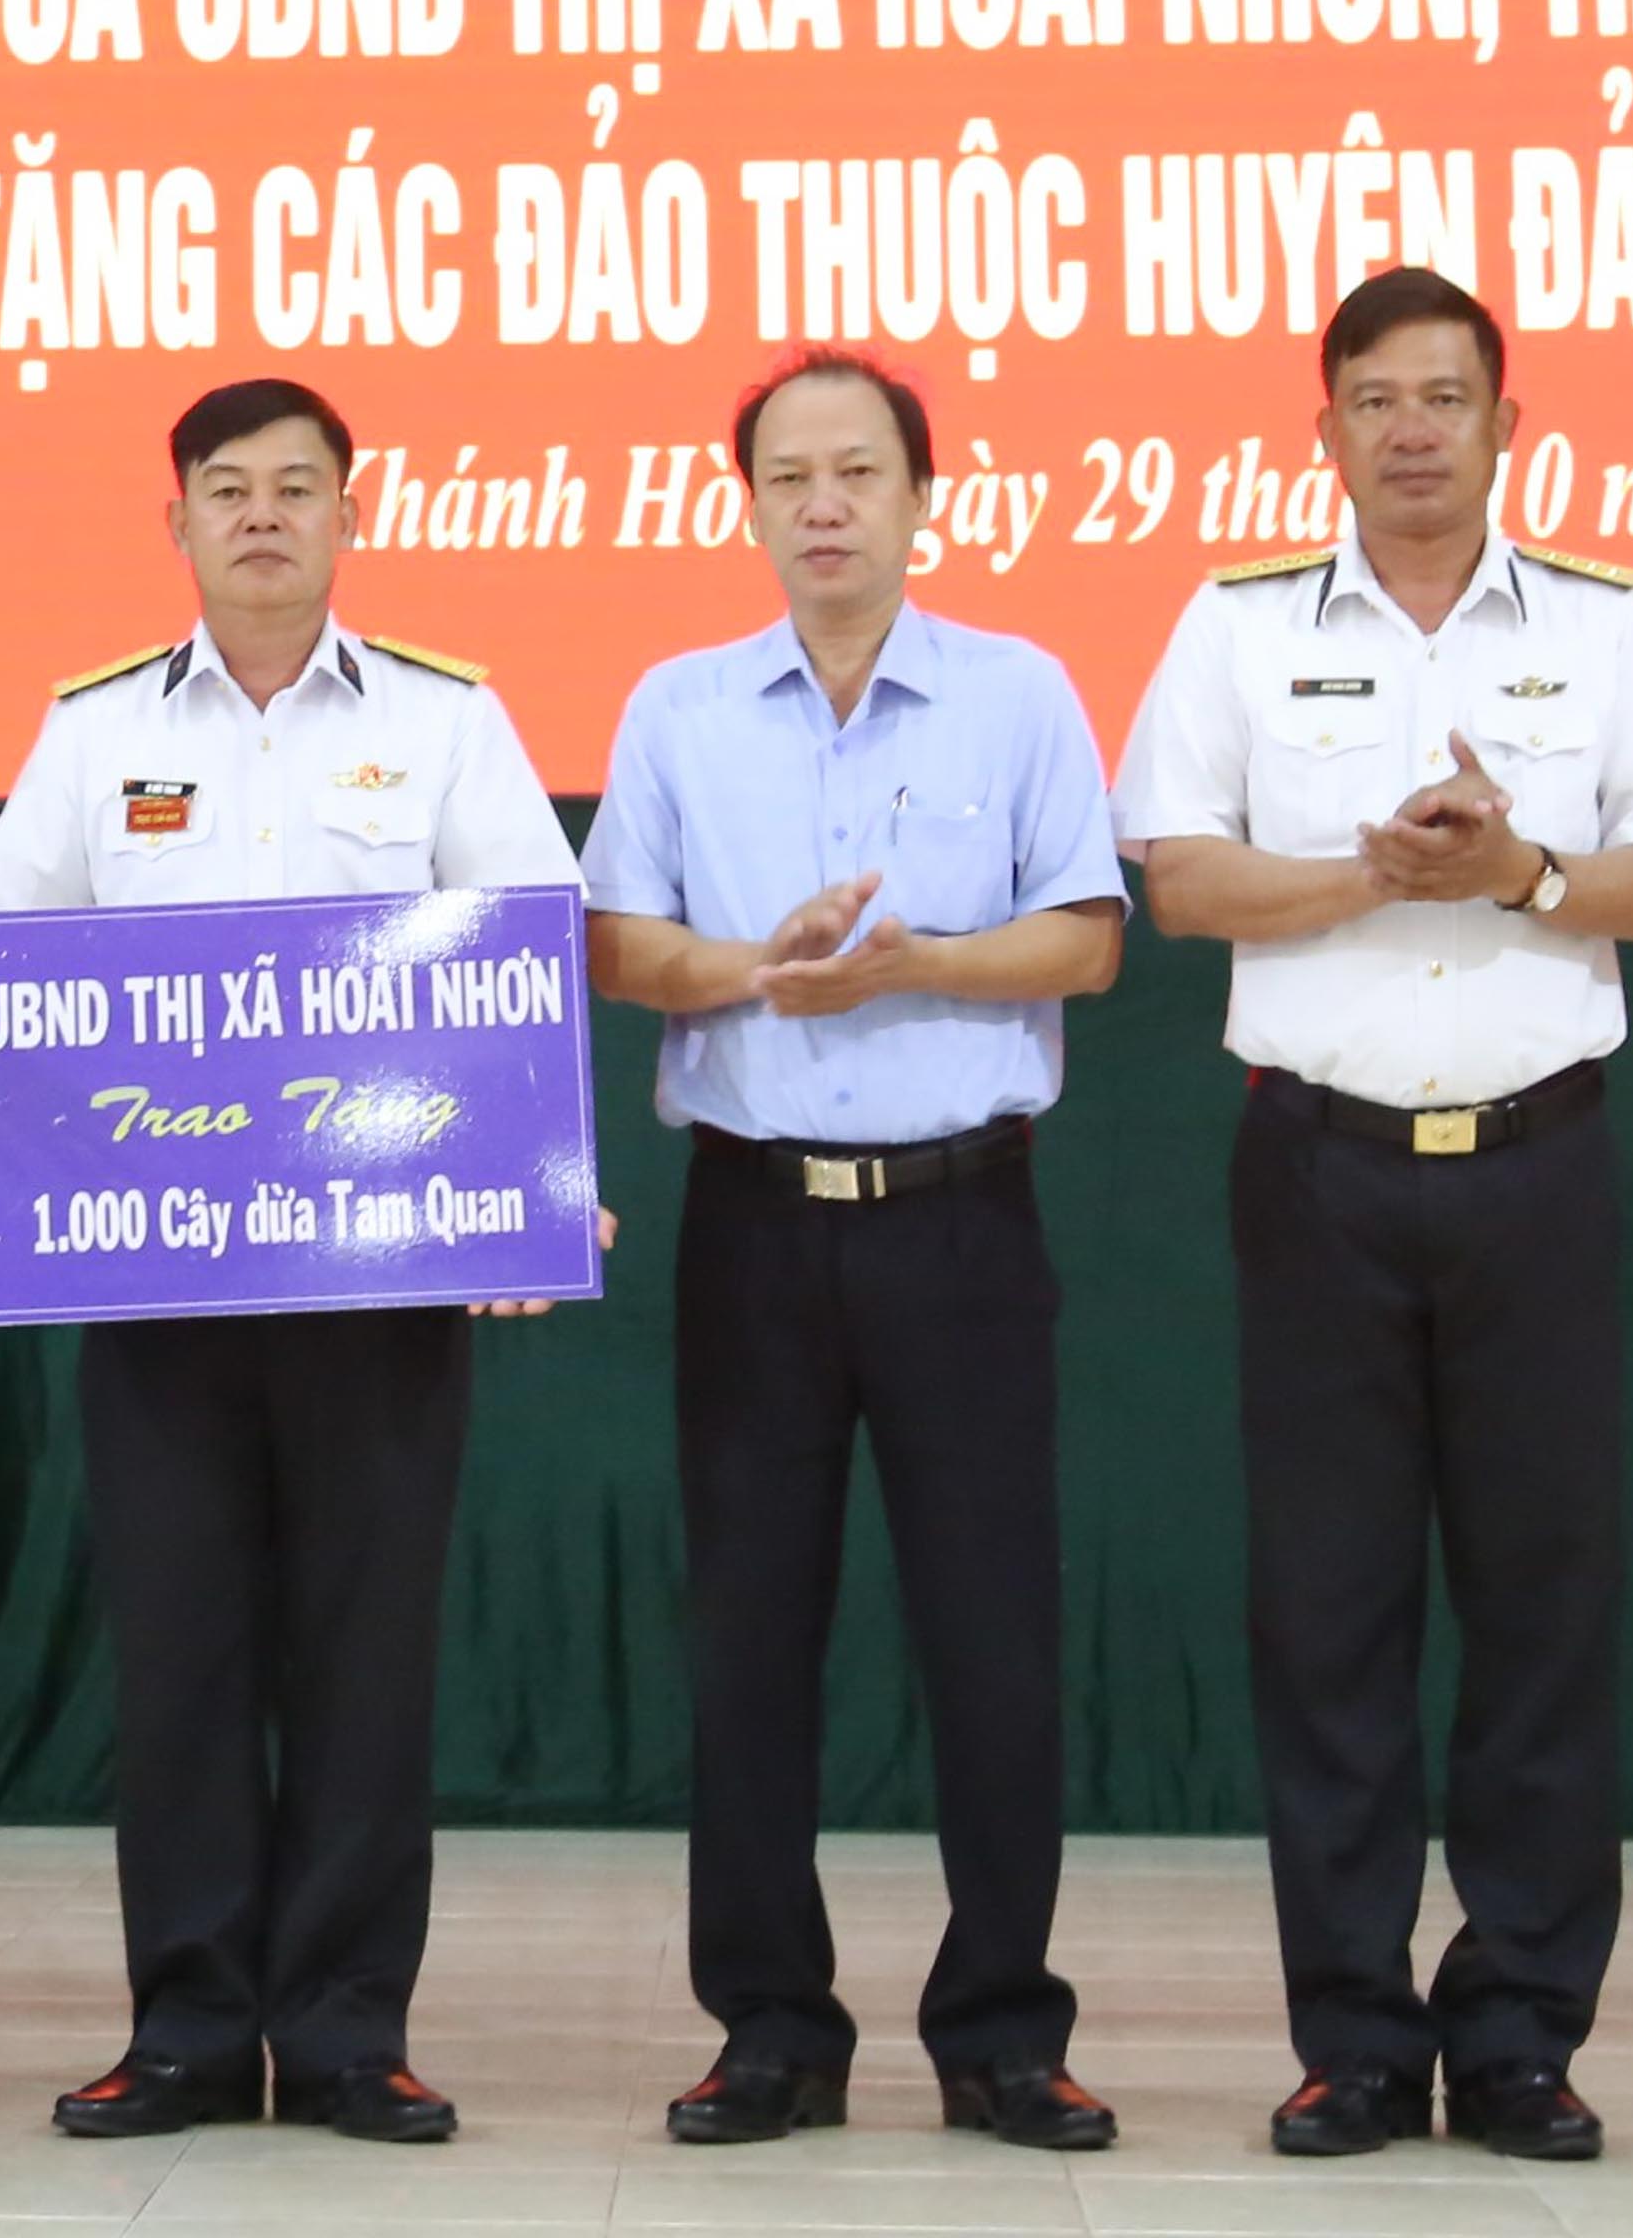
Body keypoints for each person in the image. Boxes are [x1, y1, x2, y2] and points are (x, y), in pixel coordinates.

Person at [1109, 268, 1633, 2166]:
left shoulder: (1606, 622)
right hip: (1320, 1173)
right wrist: (1368, 875)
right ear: (1323, 431)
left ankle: (1525, 2032)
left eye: (1444, 398)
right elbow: (1179, 879)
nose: (1409, 431)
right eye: (1374, 399)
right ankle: (1356, 2040)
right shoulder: (1235, 624)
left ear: (1504, 426)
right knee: (1329, 1612)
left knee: (1545, 1605)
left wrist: (1523, 869)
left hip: (1538, 1168)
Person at [0, 377, 581, 2147]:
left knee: (363, 1659)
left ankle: (341, 2031)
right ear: (174, 519)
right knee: (178, 1659)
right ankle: (182, 2027)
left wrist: (530, 1187)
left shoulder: (447, 720)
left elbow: (524, 960)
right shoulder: (92, 730)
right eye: (227, 488)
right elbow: (10, 962)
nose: (260, 515)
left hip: (376, 1282)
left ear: (348, 515)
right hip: (157, 1281)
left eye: (296, 487)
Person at [580, 350, 1130, 2154]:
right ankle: (770, 2029)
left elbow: (1086, 938)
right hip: (754, 1224)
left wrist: (912, 966)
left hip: (960, 1219)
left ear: (919, 496)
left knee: (992, 1635)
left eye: (858, 472)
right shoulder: (678, 706)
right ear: (747, 503)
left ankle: (1003, 2033)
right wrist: (760, 964)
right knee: (749, 1637)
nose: (823, 505)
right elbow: (615, 945)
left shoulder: (1016, 692)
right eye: (788, 476)